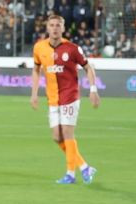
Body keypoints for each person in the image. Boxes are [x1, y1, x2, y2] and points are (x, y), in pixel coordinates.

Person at [29, 14, 100, 184]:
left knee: (67, 133)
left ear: (63, 28)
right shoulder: (39, 48)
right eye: (52, 25)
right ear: (47, 27)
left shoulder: (72, 48)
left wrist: (93, 89)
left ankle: (70, 174)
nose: (54, 28)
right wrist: (34, 93)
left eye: (58, 25)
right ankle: (84, 167)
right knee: (56, 137)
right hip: (52, 99)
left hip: (70, 96)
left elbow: (88, 68)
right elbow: (36, 69)